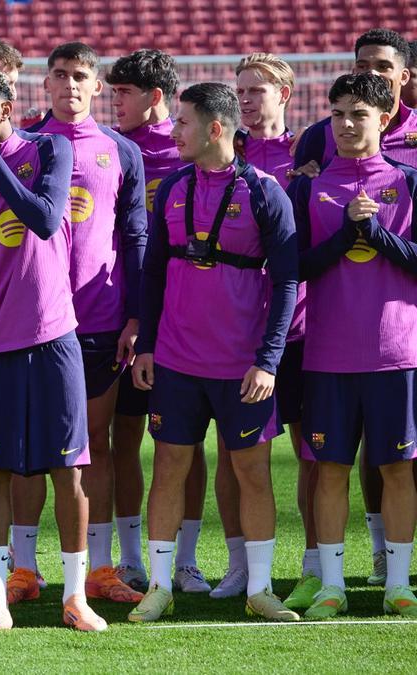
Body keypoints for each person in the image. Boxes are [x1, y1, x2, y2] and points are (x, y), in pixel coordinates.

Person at [0, 67, 107, 632]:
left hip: (53, 337)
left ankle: (75, 596)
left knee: (68, 472)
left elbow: (43, 218)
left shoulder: (50, 150)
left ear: (6, 111)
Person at [129, 82, 299, 623]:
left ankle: (260, 589)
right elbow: (153, 272)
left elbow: (288, 284)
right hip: (176, 361)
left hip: (242, 366)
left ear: (215, 129)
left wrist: (268, 360)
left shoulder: (266, 191)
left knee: (252, 472)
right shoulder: (174, 187)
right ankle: (159, 586)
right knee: (170, 468)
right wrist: (149, 347)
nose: (174, 131)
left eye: (183, 123)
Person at [291, 28, 416, 587]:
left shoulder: (408, 183)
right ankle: (333, 587)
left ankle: (397, 586)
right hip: (328, 355)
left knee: (396, 470)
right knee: (330, 472)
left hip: (396, 354)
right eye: (338, 112)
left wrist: (376, 234)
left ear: (385, 118)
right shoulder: (310, 187)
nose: (345, 123)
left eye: (358, 113)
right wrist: (346, 236)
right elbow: (295, 268)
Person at [25, 42, 147, 605]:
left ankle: (99, 570)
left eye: (80, 76)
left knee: (91, 444)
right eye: (59, 75)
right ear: (44, 84)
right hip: (32, 320)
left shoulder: (121, 150)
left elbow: (135, 236)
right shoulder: (24, 146)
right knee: (28, 446)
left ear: (96, 86)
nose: (69, 84)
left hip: (100, 320)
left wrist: (136, 312)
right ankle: (24, 570)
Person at [105, 48, 211, 594]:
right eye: (113, 91)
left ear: (156, 98)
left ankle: (187, 560)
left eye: (123, 92)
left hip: (185, 324)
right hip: (121, 320)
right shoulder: (110, 151)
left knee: (184, 446)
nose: (112, 101)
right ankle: (129, 560)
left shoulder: (186, 150)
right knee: (122, 440)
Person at [227, 52, 314, 606]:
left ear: (284, 95)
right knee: (234, 454)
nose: (246, 99)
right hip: (235, 332)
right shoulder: (226, 153)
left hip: (298, 327)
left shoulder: (305, 156)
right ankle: (239, 564)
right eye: (241, 91)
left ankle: (311, 561)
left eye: (257, 90)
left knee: (312, 450)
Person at [293, 29, 416, 173]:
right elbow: (302, 190)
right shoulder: (318, 135)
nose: (372, 74)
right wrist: (302, 180)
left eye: (383, 66)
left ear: (404, 76)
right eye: (363, 66)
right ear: (353, 72)